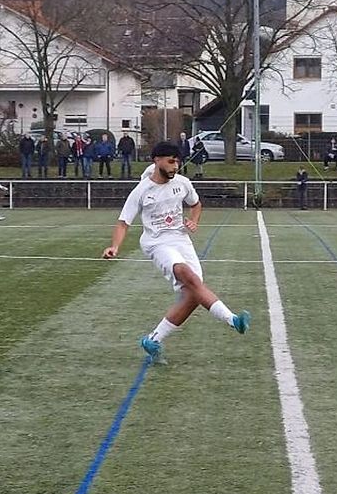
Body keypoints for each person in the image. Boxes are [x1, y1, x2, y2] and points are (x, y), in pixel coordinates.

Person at [102, 142, 251, 364]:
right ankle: (233, 320)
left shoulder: (182, 183)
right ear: (157, 160)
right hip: (156, 243)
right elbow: (123, 222)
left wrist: (194, 220)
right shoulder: (142, 190)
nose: (175, 166)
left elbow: (196, 204)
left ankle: (153, 339)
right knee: (187, 276)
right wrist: (115, 246)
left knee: (193, 294)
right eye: (171, 161)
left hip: (181, 240)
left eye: (178, 161)